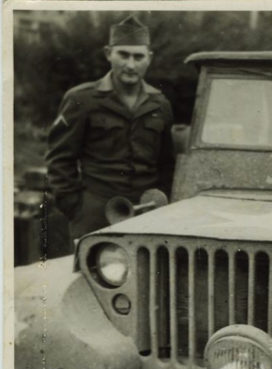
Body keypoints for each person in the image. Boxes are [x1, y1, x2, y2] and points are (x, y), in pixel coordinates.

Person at [46, 15, 175, 240]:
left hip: (146, 213)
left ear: (149, 58)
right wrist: (75, 207)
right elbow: (59, 160)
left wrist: (160, 202)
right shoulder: (81, 99)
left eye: (138, 56)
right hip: (95, 213)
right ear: (108, 54)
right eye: (123, 55)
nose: (130, 65)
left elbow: (167, 163)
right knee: (94, 272)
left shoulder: (160, 104)